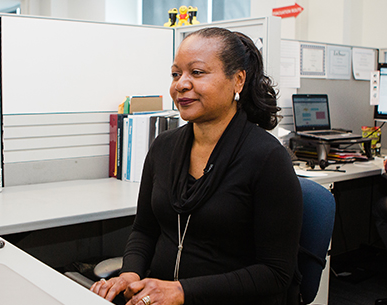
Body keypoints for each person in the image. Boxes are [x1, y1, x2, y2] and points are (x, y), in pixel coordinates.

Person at [91, 27, 303, 305]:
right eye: (176, 74)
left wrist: (181, 291)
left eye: (197, 73)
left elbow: (275, 273)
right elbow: (144, 229)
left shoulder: (266, 158)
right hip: (157, 298)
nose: (180, 84)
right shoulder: (163, 147)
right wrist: (131, 273)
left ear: (238, 80)